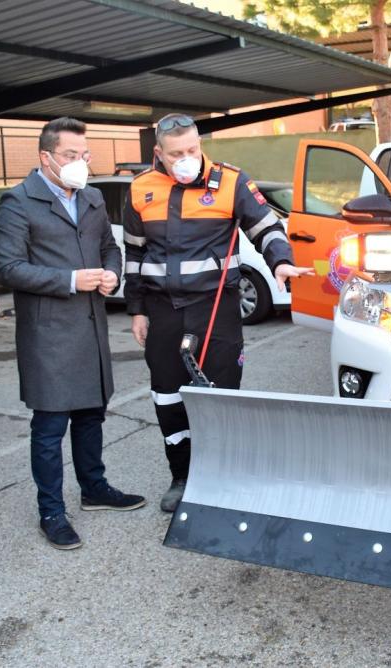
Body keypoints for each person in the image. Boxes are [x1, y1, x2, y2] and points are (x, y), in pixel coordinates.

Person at [123, 113, 312, 512]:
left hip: (217, 310)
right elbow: (135, 253)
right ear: (159, 153)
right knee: (168, 397)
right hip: (163, 311)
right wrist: (137, 309)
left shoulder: (231, 181)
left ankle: (226, 475)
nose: (187, 157)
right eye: (176, 154)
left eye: (193, 149)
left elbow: (266, 227)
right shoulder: (141, 189)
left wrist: (280, 261)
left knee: (222, 395)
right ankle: (183, 476)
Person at [0, 117, 145, 550]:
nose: (80, 163)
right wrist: (69, 280)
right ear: (46, 157)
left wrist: (113, 275)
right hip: (49, 333)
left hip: (91, 325)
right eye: (70, 155)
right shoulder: (19, 202)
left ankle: (94, 488)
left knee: (92, 413)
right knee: (50, 424)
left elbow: (109, 249)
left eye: (85, 155)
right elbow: (7, 268)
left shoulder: (93, 197)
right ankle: (51, 510)